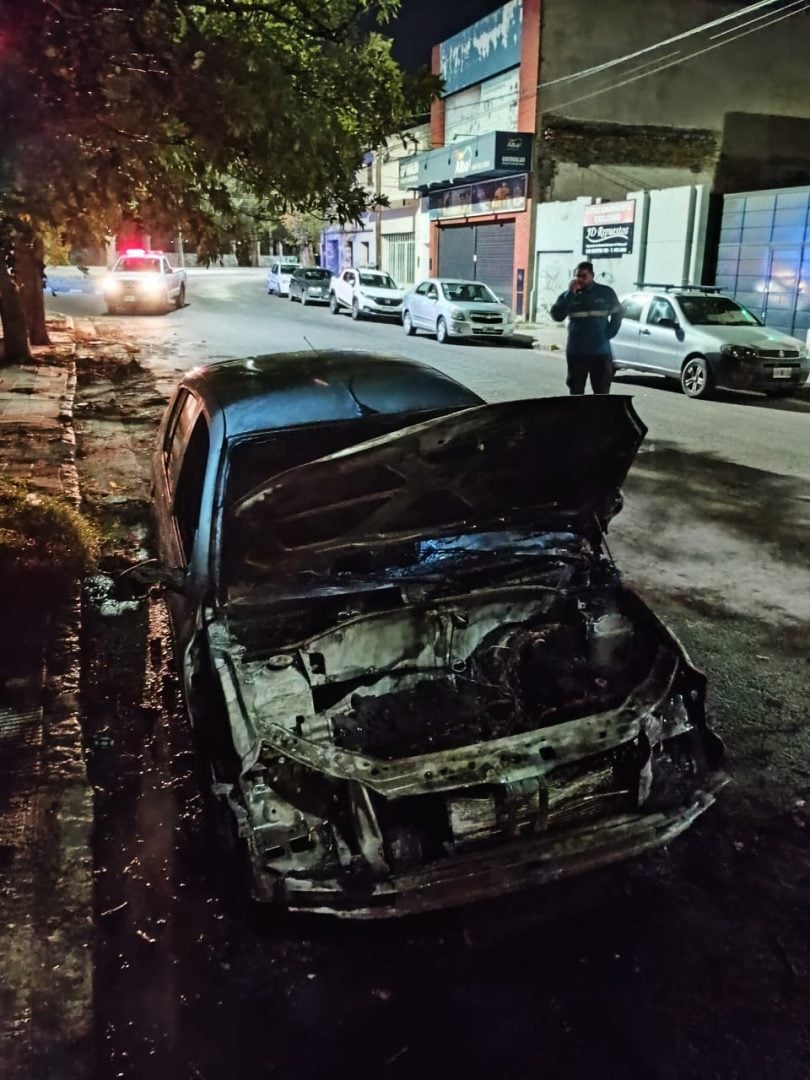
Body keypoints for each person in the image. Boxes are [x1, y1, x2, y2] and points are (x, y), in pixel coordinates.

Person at [550, 261, 622, 395]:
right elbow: (557, 316)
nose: (579, 280)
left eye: (584, 276)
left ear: (592, 276)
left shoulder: (605, 293)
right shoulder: (569, 296)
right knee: (576, 391)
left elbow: (618, 313)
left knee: (601, 393)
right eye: (577, 276)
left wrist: (609, 333)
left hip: (600, 352)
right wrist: (570, 294)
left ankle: (599, 416)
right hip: (577, 352)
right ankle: (577, 416)